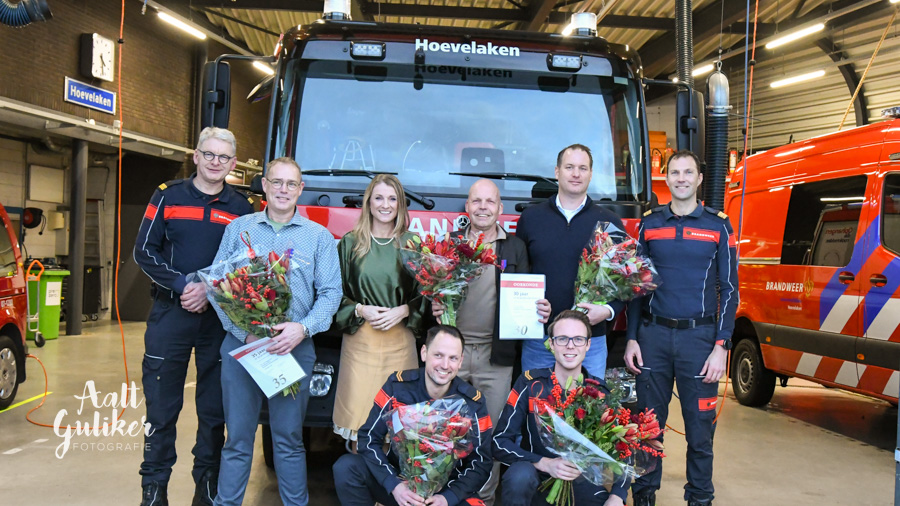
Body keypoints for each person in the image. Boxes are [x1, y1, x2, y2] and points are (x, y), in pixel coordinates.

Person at [210, 157, 342, 506]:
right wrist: (244, 335)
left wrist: (302, 328)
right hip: (242, 350)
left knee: (288, 439)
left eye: (291, 184)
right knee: (237, 439)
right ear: (264, 186)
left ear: (301, 190)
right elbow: (218, 286)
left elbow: (331, 293)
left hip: (293, 350)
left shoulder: (319, 237)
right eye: (276, 182)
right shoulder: (239, 229)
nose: (283, 189)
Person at [134, 127, 254, 506]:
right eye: (209, 154)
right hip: (170, 313)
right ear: (196, 156)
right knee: (161, 407)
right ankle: (154, 490)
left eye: (224, 157)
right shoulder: (167, 195)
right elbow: (144, 250)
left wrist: (209, 289)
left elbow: (246, 266)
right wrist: (184, 285)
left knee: (213, 410)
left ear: (233, 164)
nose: (216, 162)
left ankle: (206, 489)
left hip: (218, 321)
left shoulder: (242, 207)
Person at [624, 150, 738, 506]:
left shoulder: (718, 225)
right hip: (653, 338)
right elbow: (635, 286)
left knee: (701, 431)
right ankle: (644, 496)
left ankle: (699, 498)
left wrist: (722, 345)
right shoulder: (649, 223)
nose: (682, 178)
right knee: (647, 427)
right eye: (675, 172)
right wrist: (631, 339)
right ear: (666, 177)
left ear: (700, 178)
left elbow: (730, 289)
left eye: (689, 172)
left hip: (700, 342)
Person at [432, 178, 550, 505]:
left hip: (494, 359)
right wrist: (434, 304)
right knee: (446, 432)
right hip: (451, 357)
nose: (483, 207)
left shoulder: (514, 248)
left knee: (490, 436)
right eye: (476, 201)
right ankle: (447, 497)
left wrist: (539, 308)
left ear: (500, 209)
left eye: (490, 202)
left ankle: (481, 500)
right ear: (467, 207)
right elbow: (431, 293)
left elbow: (526, 298)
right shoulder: (449, 243)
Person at [334, 325, 493, 506]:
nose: (445, 365)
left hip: (445, 493)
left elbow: (482, 462)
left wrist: (448, 498)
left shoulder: (473, 402)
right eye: (438, 355)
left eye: (453, 358)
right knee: (347, 467)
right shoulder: (397, 386)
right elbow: (368, 439)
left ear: (461, 361)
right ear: (424, 353)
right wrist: (394, 485)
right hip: (402, 488)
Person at [492, 310, 627, 506]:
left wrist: (617, 496)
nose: (570, 345)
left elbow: (625, 453)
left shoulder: (600, 393)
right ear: (552, 344)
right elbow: (499, 442)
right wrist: (544, 463)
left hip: (580, 481)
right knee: (519, 475)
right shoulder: (530, 384)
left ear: (588, 344)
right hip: (536, 480)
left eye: (578, 339)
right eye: (562, 339)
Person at [515, 144, 626, 376]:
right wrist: (526, 306)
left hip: (590, 342)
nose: (576, 174)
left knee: (588, 410)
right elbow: (518, 277)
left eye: (582, 168)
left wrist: (606, 311)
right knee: (537, 408)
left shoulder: (610, 222)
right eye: (569, 167)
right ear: (557, 172)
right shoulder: (531, 218)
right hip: (540, 339)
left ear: (590, 174)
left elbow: (626, 283)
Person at [333, 174, 426, 449]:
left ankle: (392, 491)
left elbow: (427, 293)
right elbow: (332, 294)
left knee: (399, 429)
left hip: (400, 343)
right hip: (360, 344)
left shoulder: (413, 243)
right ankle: (360, 489)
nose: (385, 205)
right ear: (368, 203)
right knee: (359, 425)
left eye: (392, 199)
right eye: (379, 198)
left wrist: (405, 310)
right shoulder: (351, 243)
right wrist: (360, 309)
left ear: (400, 205)